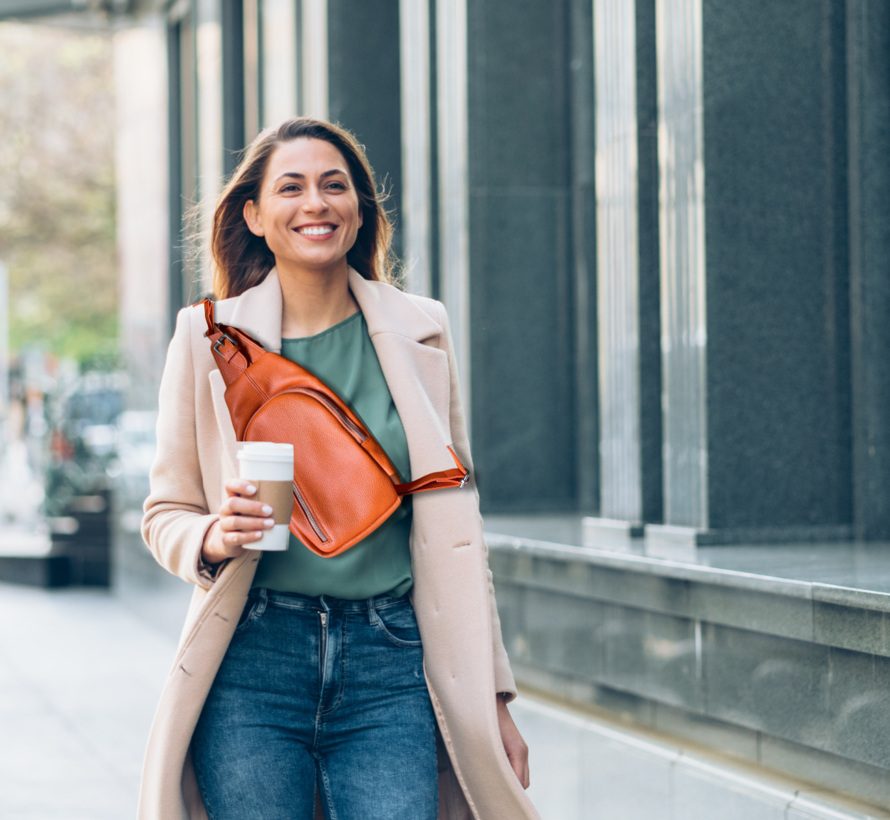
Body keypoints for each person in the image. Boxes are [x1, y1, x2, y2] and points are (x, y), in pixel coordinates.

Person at [139, 117, 538, 820]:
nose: (316, 203)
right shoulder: (206, 339)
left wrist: (493, 699)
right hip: (253, 657)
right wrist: (212, 536)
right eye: (290, 188)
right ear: (255, 215)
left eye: (335, 185)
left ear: (360, 210)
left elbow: (458, 532)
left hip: (391, 661)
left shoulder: (422, 330)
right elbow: (164, 512)